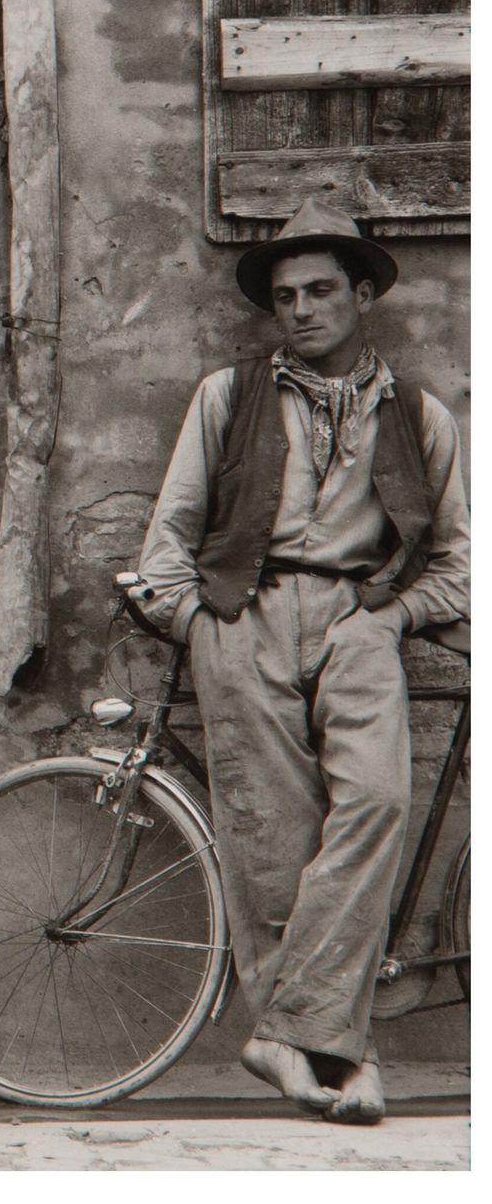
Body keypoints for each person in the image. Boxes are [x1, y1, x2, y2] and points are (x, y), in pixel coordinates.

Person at [137, 197, 470, 1124]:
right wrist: (201, 626)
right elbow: (167, 541)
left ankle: (288, 1036)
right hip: (245, 612)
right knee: (274, 838)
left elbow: (459, 562)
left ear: (363, 297)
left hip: (363, 617)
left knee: (378, 802)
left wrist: (395, 618)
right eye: (285, 296)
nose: (300, 309)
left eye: (321, 291)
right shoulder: (226, 396)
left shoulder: (419, 414)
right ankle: (343, 1057)